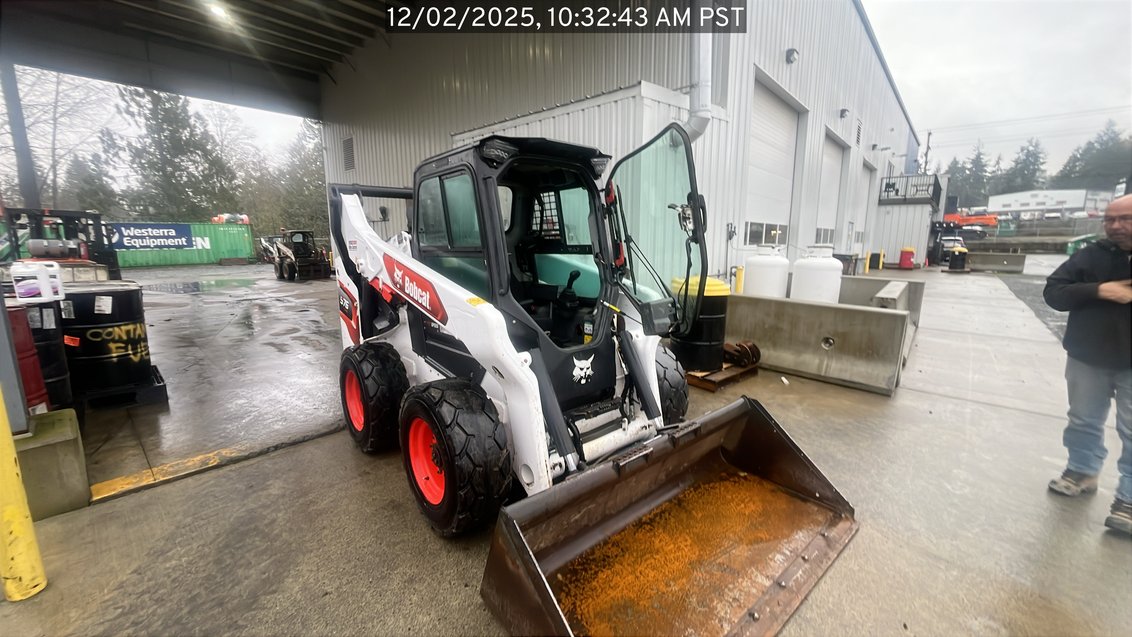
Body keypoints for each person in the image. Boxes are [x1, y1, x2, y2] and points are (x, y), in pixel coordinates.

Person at [1044, 194, 1132, 536]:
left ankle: (1128, 499)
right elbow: (1054, 293)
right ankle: (1082, 470)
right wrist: (1100, 291)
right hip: (1087, 357)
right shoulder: (1092, 255)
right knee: (1082, 420)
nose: (1115, 226)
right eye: (1110, 219)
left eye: (1124, 219)